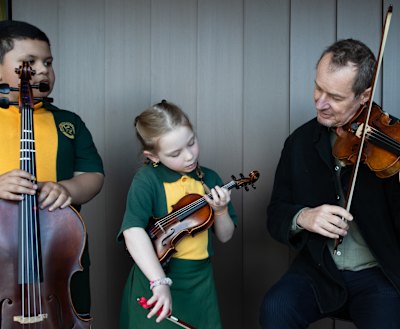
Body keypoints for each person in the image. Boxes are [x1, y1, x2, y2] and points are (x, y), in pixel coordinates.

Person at [260, 39, 400, 329]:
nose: (319, 102)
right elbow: (276, 214)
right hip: (319, 269)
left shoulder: (398, 143)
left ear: (364, 95)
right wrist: (304, 217)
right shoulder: (299, 142)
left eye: (334, 96)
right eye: (318, 87)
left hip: (378, 274)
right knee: (276, 308)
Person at [0, 20, 105, 320]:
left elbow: (93, 175)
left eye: (47, 62)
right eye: (28, 62)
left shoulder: (67, 123)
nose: (43, 70)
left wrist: (67, 189)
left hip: (58, 252)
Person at [118, 100, 237, 328]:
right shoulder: (147, 180)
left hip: (200, 281)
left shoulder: (209, 178)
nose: (189, 157)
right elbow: (132, 231)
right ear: (153, 156)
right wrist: (159, 281)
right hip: (155, 279)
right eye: (175, 153)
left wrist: (221, 211)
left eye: (191, 143)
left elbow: (225, 236)